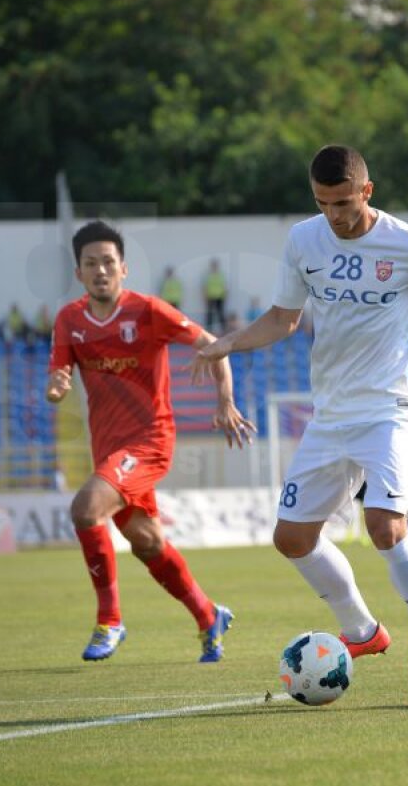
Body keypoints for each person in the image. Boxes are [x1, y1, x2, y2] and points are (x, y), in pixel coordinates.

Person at [193, 145, 408, 709]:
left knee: (385, 527)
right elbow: (284, 318)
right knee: (291, 538)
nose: (334, 215)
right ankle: (361, 629)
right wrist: (228, 342)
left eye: (344, 203)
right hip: (330, 416)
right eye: (323, 203)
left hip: (387, 411)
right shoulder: (304, 240)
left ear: (366, 192)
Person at [46, 220, 255, 664]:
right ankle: (209, 616)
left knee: (85, 509)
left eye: (108, 262)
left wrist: (225, 401)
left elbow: (213, 344)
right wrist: (58, 384)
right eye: (91, 264)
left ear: (123, 268)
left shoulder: (149, 311)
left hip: (149, 441)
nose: (101, 270)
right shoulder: (69, 320)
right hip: (108, 451)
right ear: (79, 272)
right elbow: (58, 372)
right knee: (147, 543)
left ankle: (110, 621)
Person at [203, 258, 228, 334]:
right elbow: (205, 286)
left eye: (216, 265)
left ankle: (224, 329)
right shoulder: (208, 275)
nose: (215, 267)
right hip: (210, 297)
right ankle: (208, 330)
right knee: (210, 314)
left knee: (220, 313)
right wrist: (205, 296)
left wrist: (225, 295)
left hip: (220, 297)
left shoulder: (221, 275)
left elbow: (224, 286)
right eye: (213, 265)